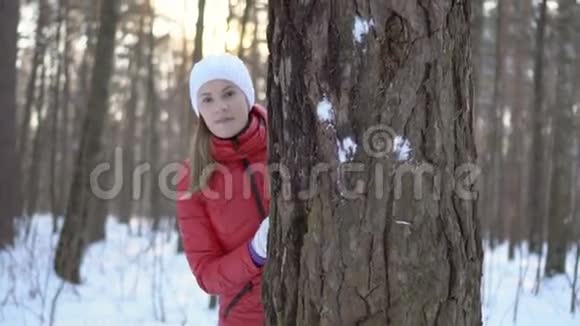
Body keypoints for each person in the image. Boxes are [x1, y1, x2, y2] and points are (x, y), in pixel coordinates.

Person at [176, 53, 270, 326]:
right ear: (199, 109)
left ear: (247, 95)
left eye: (229, 93)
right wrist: (254, 253)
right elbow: (206, 274)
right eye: (207, 99)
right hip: (243, 319)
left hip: (312, 306)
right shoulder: (190, 179)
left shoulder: (288, 142)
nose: (220, 107)